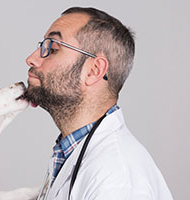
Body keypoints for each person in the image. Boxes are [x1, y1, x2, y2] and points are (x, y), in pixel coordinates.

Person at [24, 7, 173, 200]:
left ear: (94, 70)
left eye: (52, 48)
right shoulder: (71, 152)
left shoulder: (117, 180)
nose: (31, 59)